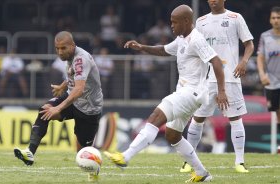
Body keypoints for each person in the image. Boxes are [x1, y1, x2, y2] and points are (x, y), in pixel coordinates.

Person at [104, 5, 229, 182]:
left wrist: (222, 91)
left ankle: (126, 156)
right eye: (171, 22)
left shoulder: (196, 40)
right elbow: (164, 50)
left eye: (174, 22)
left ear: (186, 21)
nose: (171, 25)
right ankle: (202, 174)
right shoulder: (181, 39)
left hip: (191, 92)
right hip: (187, 92)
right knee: (172, 135)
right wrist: (141, 47)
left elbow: (216, 61)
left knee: (156, 116)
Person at [13, 31, 103, 180]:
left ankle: (93, 174)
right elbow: (76, 76)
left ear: (73, 45)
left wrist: (59, 108)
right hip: (73, 98)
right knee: (44, 110)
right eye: (57, 48)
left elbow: (79, 90)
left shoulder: (81, 59)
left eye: (63, 48)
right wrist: (63, 86)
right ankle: (29, 153)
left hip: (89, 108)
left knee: (83, 154)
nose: (60, 52)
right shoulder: (71, 56)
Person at [180, 0, 254, 174]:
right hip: (206, 80)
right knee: (198, 118)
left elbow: (249, 44)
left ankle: (240, 162)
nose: (213, 0)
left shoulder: (235, 18)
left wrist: (244, 61)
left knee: (235, 118)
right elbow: (195, 49)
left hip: (230, 78)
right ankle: (189, 162)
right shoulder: (201, 21)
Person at [257, 6, 280, 146]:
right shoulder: (265, 36)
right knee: (277, 114)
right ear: (270, 20)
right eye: (274, 18)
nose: (276, 20)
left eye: (279, 17)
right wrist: (262, 74)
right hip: (272, 81)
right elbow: (260, 57)